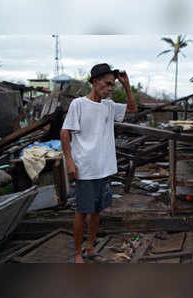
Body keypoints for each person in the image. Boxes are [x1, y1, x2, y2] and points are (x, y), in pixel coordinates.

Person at [60, 63, 137, 263]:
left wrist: (127, 86)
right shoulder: (79, 104)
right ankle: (77, 253)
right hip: (85, 168)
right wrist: (69, 162)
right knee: (82, 212)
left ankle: (90, 248)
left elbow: (132, 108)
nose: (111, 88)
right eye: (107, 83)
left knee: (96, 211)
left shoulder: (109, 105)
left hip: (104, 168)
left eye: (113, 85)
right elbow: (65, 132)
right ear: (95, 82)